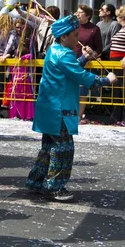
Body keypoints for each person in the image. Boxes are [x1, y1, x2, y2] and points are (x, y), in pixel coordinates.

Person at [27, 15, 117, 201]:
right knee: (63, 149)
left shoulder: (55, 50)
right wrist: (106, 80)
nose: (79, 39)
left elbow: (70, 69)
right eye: (75, 35)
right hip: (58, 109)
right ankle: (54, 186)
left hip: (49, 108)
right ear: (64, 37)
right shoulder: (64, 54)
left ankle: (36, 181)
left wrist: (83, 58)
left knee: (49, 147)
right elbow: (81, 76)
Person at [74, 5, 103, 123]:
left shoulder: (94, 29)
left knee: (82, 90)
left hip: (85, 62)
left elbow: (99, 48)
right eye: (77, 12)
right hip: (71, 60)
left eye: (81, 12)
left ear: (88, 16)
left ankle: (79, 116)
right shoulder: (73, 26)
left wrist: (92, 55)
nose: (78, 14)